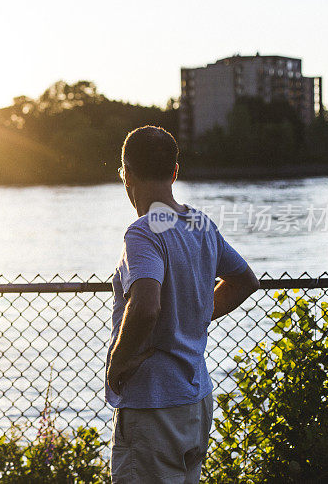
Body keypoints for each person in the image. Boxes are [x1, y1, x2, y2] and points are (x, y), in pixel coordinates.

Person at [105, 126, 259, 483]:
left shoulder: (142, 232)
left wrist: (118, 363)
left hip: (153, 404)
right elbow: (245, 281)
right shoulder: (201, 225)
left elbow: (145, 307)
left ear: (125, 174)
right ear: (175, 171)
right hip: (196, 400)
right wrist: (197, 312)